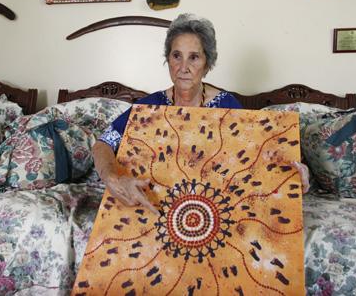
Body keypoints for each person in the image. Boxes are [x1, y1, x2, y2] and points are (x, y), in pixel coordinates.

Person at [92, 13, 308, 213]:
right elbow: (103, 143)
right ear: (168, 60)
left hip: (214, 209)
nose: (183, 67)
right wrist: (113, 178)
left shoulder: (228, 106)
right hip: (158, 207)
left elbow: (258, 158)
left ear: (207, 65)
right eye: (177, 56)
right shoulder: (149, 107)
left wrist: (293, 175)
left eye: (194, 57)